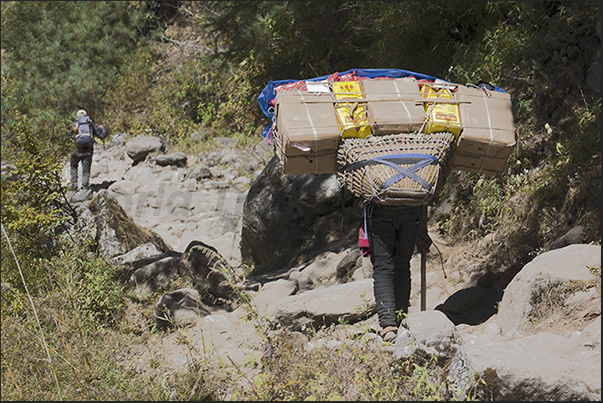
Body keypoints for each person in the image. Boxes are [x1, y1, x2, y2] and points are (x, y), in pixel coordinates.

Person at [365, 201, 432, 342]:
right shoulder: (412, 179)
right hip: (411, 213)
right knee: (402, 267)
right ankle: (401, 322)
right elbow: (425, 194)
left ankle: (389, 326)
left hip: (381, 209)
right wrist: (422, 228)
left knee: (383, 268)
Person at [70, 109, 106, 191]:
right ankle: (85, 187)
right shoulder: (90, 123)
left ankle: (73, 187)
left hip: (76, 149)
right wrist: (103, 128)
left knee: (73, 166)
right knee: (86, 170)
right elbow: (102, 135)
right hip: (88, 150)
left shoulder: (74, 124)